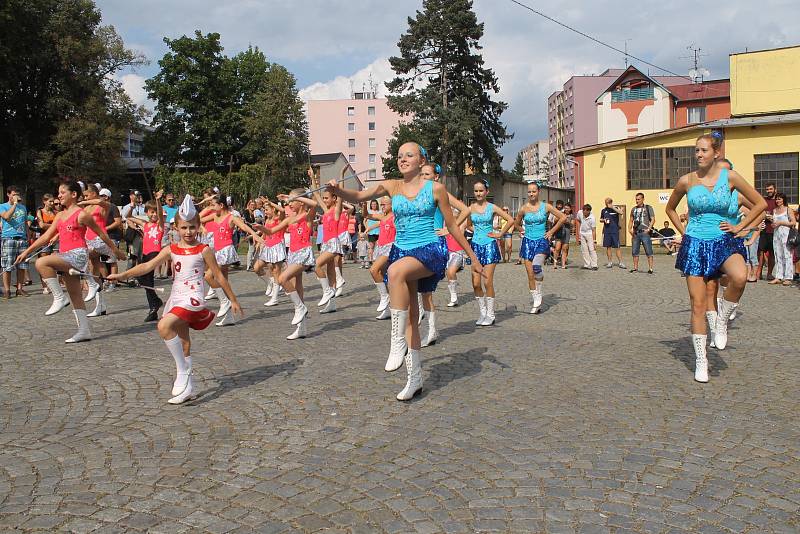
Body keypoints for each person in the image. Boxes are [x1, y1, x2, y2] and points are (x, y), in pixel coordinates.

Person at [326, 142, 481, 401]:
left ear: (422, 161)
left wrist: (472, 257)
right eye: (399, 156)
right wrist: (338, 189)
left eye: (409, 155)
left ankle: (395, 340)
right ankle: (414, 378)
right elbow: (359, 197)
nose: (403, 159)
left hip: (429, 249)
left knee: (395, 271)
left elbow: (453, 226)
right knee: (411, 317)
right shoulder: (391, 185)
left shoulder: (436, 188)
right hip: (402, 250)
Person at [108, 195, 241, 404]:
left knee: (164, 326)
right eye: (184, 228)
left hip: (194, 298)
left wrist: (232, 299)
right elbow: (146, 266)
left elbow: (219, 275)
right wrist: (121, 275)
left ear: (198, 227)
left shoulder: (204, 250)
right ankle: (189, 387)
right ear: (176, 228)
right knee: (183, 340)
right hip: (176, 297)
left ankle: (183, 371)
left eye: (192, 228)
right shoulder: (171, 249)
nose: (188, 232)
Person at [666, 132, 766, 383]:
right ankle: (702, 361)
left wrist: (740, 228)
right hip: (695, 244)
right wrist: (683, 232)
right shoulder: (686, 181)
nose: (699, 154)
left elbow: (760, 204)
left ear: (716, 153)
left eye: (704, 150)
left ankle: (721, 319)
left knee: (740, 276)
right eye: (696, 150)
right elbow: (670, 208)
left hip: (723, 241)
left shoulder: (729, 177)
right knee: (698, 304)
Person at [15, 181, 121, 342]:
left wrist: (116, 250)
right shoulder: (59, 215)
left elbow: (102, 233)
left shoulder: (82, 214)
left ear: (73, 195)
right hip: (65, 255)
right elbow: (45, 237)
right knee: (75, 294)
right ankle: (84, 331)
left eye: (63, 192)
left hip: (77, 255)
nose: (59, 195)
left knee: (41, 263)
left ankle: (59, 297)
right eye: (58, 192)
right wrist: (27, 251)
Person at [418, 163, 470, 346]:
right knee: (416, 286)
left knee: (425, 290)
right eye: (421, 174)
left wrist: (449, 229)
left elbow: (465, 210)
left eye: (427, 174)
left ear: (436, 177)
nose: (423, 177)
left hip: (433, 244)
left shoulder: (441, 193)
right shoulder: (416, 193)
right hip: (417, 242)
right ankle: (422, 319)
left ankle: (431, 329)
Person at [497, 182, 566, 314]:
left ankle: (539, 291)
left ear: (538, 192)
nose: (531, 194)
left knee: (536, 267)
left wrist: (551, 232)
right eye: (529, 192)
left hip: (541, 240)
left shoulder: (546, 207)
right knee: (530, 274)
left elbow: (563, 217)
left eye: (534, 191)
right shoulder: (523, 208)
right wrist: (521, 230)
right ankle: (536, 300)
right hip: (527, 242)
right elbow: (515, 222)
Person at [261, 189, 317, 340]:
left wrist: (297, 197)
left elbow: (314, 203)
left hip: (304, 254)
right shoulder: (289, 219)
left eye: (292, 201)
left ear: (300, 201)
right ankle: (302, 327)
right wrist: (260, 228)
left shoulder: (307, 216)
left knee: (282, 278)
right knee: (297, 286)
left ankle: (300, 308)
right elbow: (271, 230)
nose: (289, 203)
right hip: (292, 254)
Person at [457, 178, 514, 327]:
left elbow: (510, 220)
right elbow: (459, 224)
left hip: (489, 246)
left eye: (481, 190)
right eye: (476, 191)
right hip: (475, 246)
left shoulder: (492, 207)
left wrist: (499, 234)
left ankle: (491, 314)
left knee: (487, 281)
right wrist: (445, 230)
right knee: (475, 283)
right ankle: (482, 312)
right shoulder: (470, 209)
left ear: (486, 191)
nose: (478, 193)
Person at [200, 194, 264, 326]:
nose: (212, 208)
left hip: (226, 250)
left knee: (208, 276)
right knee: (224, 282)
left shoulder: (231, 217)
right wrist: (208, 203)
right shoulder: (214, 216)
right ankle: (229, 315)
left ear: (221, 205)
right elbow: (198, 218)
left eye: (214, 205)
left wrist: (254, 235)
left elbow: (244, 227)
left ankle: (225, 302)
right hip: (217, 251)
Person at [294, 166, 344, 314]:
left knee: (316, 265)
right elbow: (315, 194)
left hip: (333, 244)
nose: (324, 200)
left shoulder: (336, 211)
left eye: (327, 198)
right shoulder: (326, 210)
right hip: (325, 244)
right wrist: (312, 177)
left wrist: (340, 176)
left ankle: (327, 291)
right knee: (330, 272)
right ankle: (332, 303)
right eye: (324, 198)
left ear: (334, 198)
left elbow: (341, 196)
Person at [125, 190, 165, 321]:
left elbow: (159, 213)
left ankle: (155, 303)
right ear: (146, 213)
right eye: (151, 212)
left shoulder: (160, 226)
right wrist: (132, 205)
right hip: (145, 254)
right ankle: (153, 307)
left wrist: (158, 200)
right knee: (146, 281)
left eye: (155, 212)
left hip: (154, 254)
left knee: (143, 278)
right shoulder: (145, 225)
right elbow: (128, 216)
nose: (154, 214)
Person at [363, 196, 395, 319]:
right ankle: (389, 308)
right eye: (381, 204)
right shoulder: (382, 216)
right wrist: (363, 206)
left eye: (384, 204)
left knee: (374, 270)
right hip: (381, 247)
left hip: (389, 248)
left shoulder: (395, 217)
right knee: (383, 274)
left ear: (391, 205)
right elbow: (367, 216)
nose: (382, 207)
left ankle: (384, 296)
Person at [252, 199, 286, 307]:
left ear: (273, 210)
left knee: (276, 271)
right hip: (268, 247)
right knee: (257, 268)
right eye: (265, 210)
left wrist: (271, 203)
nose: (265, 212)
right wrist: (260, 241)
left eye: (267, 210)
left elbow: (283, 211)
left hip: (277, 247)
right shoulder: (267, 221)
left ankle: (275, 297)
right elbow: (265, 234)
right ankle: (270, 283)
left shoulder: (279, 219)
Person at [1, 186, 31, 299]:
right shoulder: (2, 206)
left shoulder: (23, 207)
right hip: (9, 238)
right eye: (14, 194)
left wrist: (28, 236)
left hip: (21, 239)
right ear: (8, 195)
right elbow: (7, 217)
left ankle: (20, 288)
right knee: (7, 266)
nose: (16, 196)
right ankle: (7, 290)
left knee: (22, 265)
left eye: (17, 194)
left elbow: (24, 223)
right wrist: (14, 204)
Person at [769, 193, 796, 286]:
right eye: (776, 199)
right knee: (778, 254)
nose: (778, 201)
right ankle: (778, 276)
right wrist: (773, 223)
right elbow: (774, 222)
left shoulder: (788, 210)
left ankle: (788, 277)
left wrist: (781, 222)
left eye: (779, 199)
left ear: (783, 200)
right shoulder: (774, 210)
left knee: (787, 255)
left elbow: (793, 222)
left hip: (786, 234)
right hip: (776, 235)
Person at [35, 194, 57, 294]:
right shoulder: (40, 211)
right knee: (42, 261)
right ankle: (45, 286)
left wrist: (52, 226)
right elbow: (42, 225)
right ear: (44, 201)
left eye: (53, 201)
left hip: (54, 239)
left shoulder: (55, 212)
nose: (52, 203)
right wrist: (54, 226)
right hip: (44, 239)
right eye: (50, 201)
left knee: (54, 263)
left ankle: (53, 284)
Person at [629, 193, 655, 274]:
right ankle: (635, 268)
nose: (637, 201)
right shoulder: (633, 209)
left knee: (648, 251)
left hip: (645, 232)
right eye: (636, 199)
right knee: (634, 251)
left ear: (643, 199)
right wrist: (629, 229)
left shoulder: (648, 208)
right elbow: (631, 220)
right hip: (636, 233)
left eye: (638, 199)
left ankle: (650, 268)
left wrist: (649, 229)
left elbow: (653, 219)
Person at [757, 182, 777, 280]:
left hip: (774, 231)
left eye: (770, 189)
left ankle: (769, 273)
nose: (769, 191)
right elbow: (758, 211)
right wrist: (764, 216)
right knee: (760, 252)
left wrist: (774, 218)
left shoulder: (778, 201)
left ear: (775, 190)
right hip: (764, 230)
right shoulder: (764, 201)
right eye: (767, 189)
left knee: (772, 253)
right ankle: (759, 272)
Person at [600, 198, 625, 268]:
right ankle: (610, 262)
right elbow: (600, 219)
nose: (606, 204)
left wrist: (612, 207)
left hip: (615, 231)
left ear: (611, 202)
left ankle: (620, 262)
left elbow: (621, 212)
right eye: (606, 202)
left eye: (608, 202)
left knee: (617, 247)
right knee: (608, 247)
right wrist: (604, 220)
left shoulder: (616, 208)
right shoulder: (604, 210)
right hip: (607, 231)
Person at [575, 204, 598, 270]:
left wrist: (594, 241)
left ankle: (594, 265)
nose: (584, 212)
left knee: (592, 249)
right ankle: (587, 264)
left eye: (586, 211)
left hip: (589, 233)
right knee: (584, 249)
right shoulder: (580, 212)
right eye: (583, 211)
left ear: (589, 211)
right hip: (582, 233)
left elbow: (594, 230)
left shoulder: (592, 218)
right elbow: (578, 220)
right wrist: (579, 230)